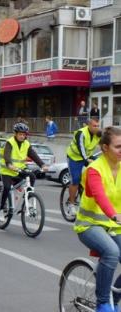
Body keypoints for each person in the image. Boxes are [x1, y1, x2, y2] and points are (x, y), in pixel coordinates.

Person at [73, 126, 121, 312]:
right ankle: (103, 302)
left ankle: (115, 298)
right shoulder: (94, 169)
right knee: (111, 252)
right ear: (105, 148)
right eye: (118, 146)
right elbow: (100, 196)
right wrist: (113, 214)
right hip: (89, 225)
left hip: (114, 226)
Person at [0, 123, 48, 218]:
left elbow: (33, 155)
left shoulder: (26, 144)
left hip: (19, 169)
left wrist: (42, 165)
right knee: (7, 188)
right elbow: (7, 156)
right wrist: (9, 164)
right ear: (15, 134)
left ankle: (27, 201)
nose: (22, 136)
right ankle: (1, 208)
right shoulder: (10, 142)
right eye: (20, 134)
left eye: (24, 134)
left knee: (32, 176)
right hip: (7, 170)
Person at [66, 117, 102, 214]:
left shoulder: (98, 134)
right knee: (76, 180)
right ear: (88, 125)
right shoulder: (81, 133)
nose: (96, 128)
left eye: (98, 126)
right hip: (74, 158)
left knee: (102, 169)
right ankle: (71, 204)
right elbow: (81, 148)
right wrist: (86, 160)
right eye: (94, 126)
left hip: (88, 156)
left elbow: (106, 145)